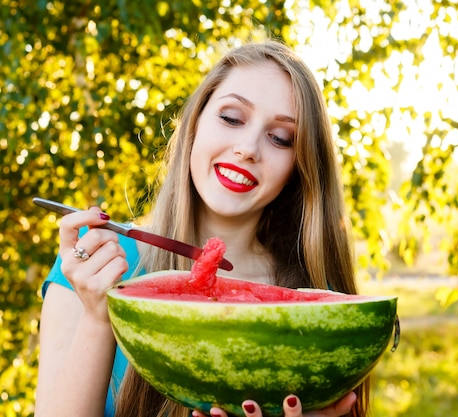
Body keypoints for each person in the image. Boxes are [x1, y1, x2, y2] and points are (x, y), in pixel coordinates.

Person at [35, 40, 370, 417]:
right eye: (231, 118)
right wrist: (98, 317)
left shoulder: (316, 305)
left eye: (280, 138)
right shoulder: (94, 266)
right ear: (194, 123)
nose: (247, 148)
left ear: (299, 166)